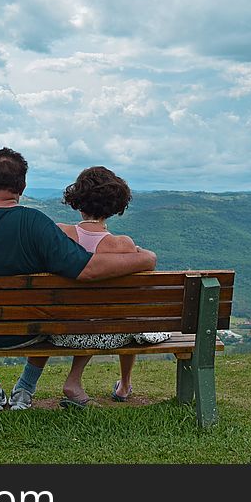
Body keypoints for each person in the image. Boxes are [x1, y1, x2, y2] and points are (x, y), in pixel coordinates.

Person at [0, 148, 157, 412]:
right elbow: (88, 270)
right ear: (22, 186)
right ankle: (24, 388)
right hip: (27, 333)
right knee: (49, 308)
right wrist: (145, 259)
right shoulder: (36, 224)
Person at [51, 166, 171, 407]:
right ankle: (125, 385)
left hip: (61, 330)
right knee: (130, 315)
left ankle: (74, 380)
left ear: (77, 199)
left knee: (95, 314)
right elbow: (148, 262)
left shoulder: (59, 233)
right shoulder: (122, 245)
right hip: (110, 332)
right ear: (115, 205)